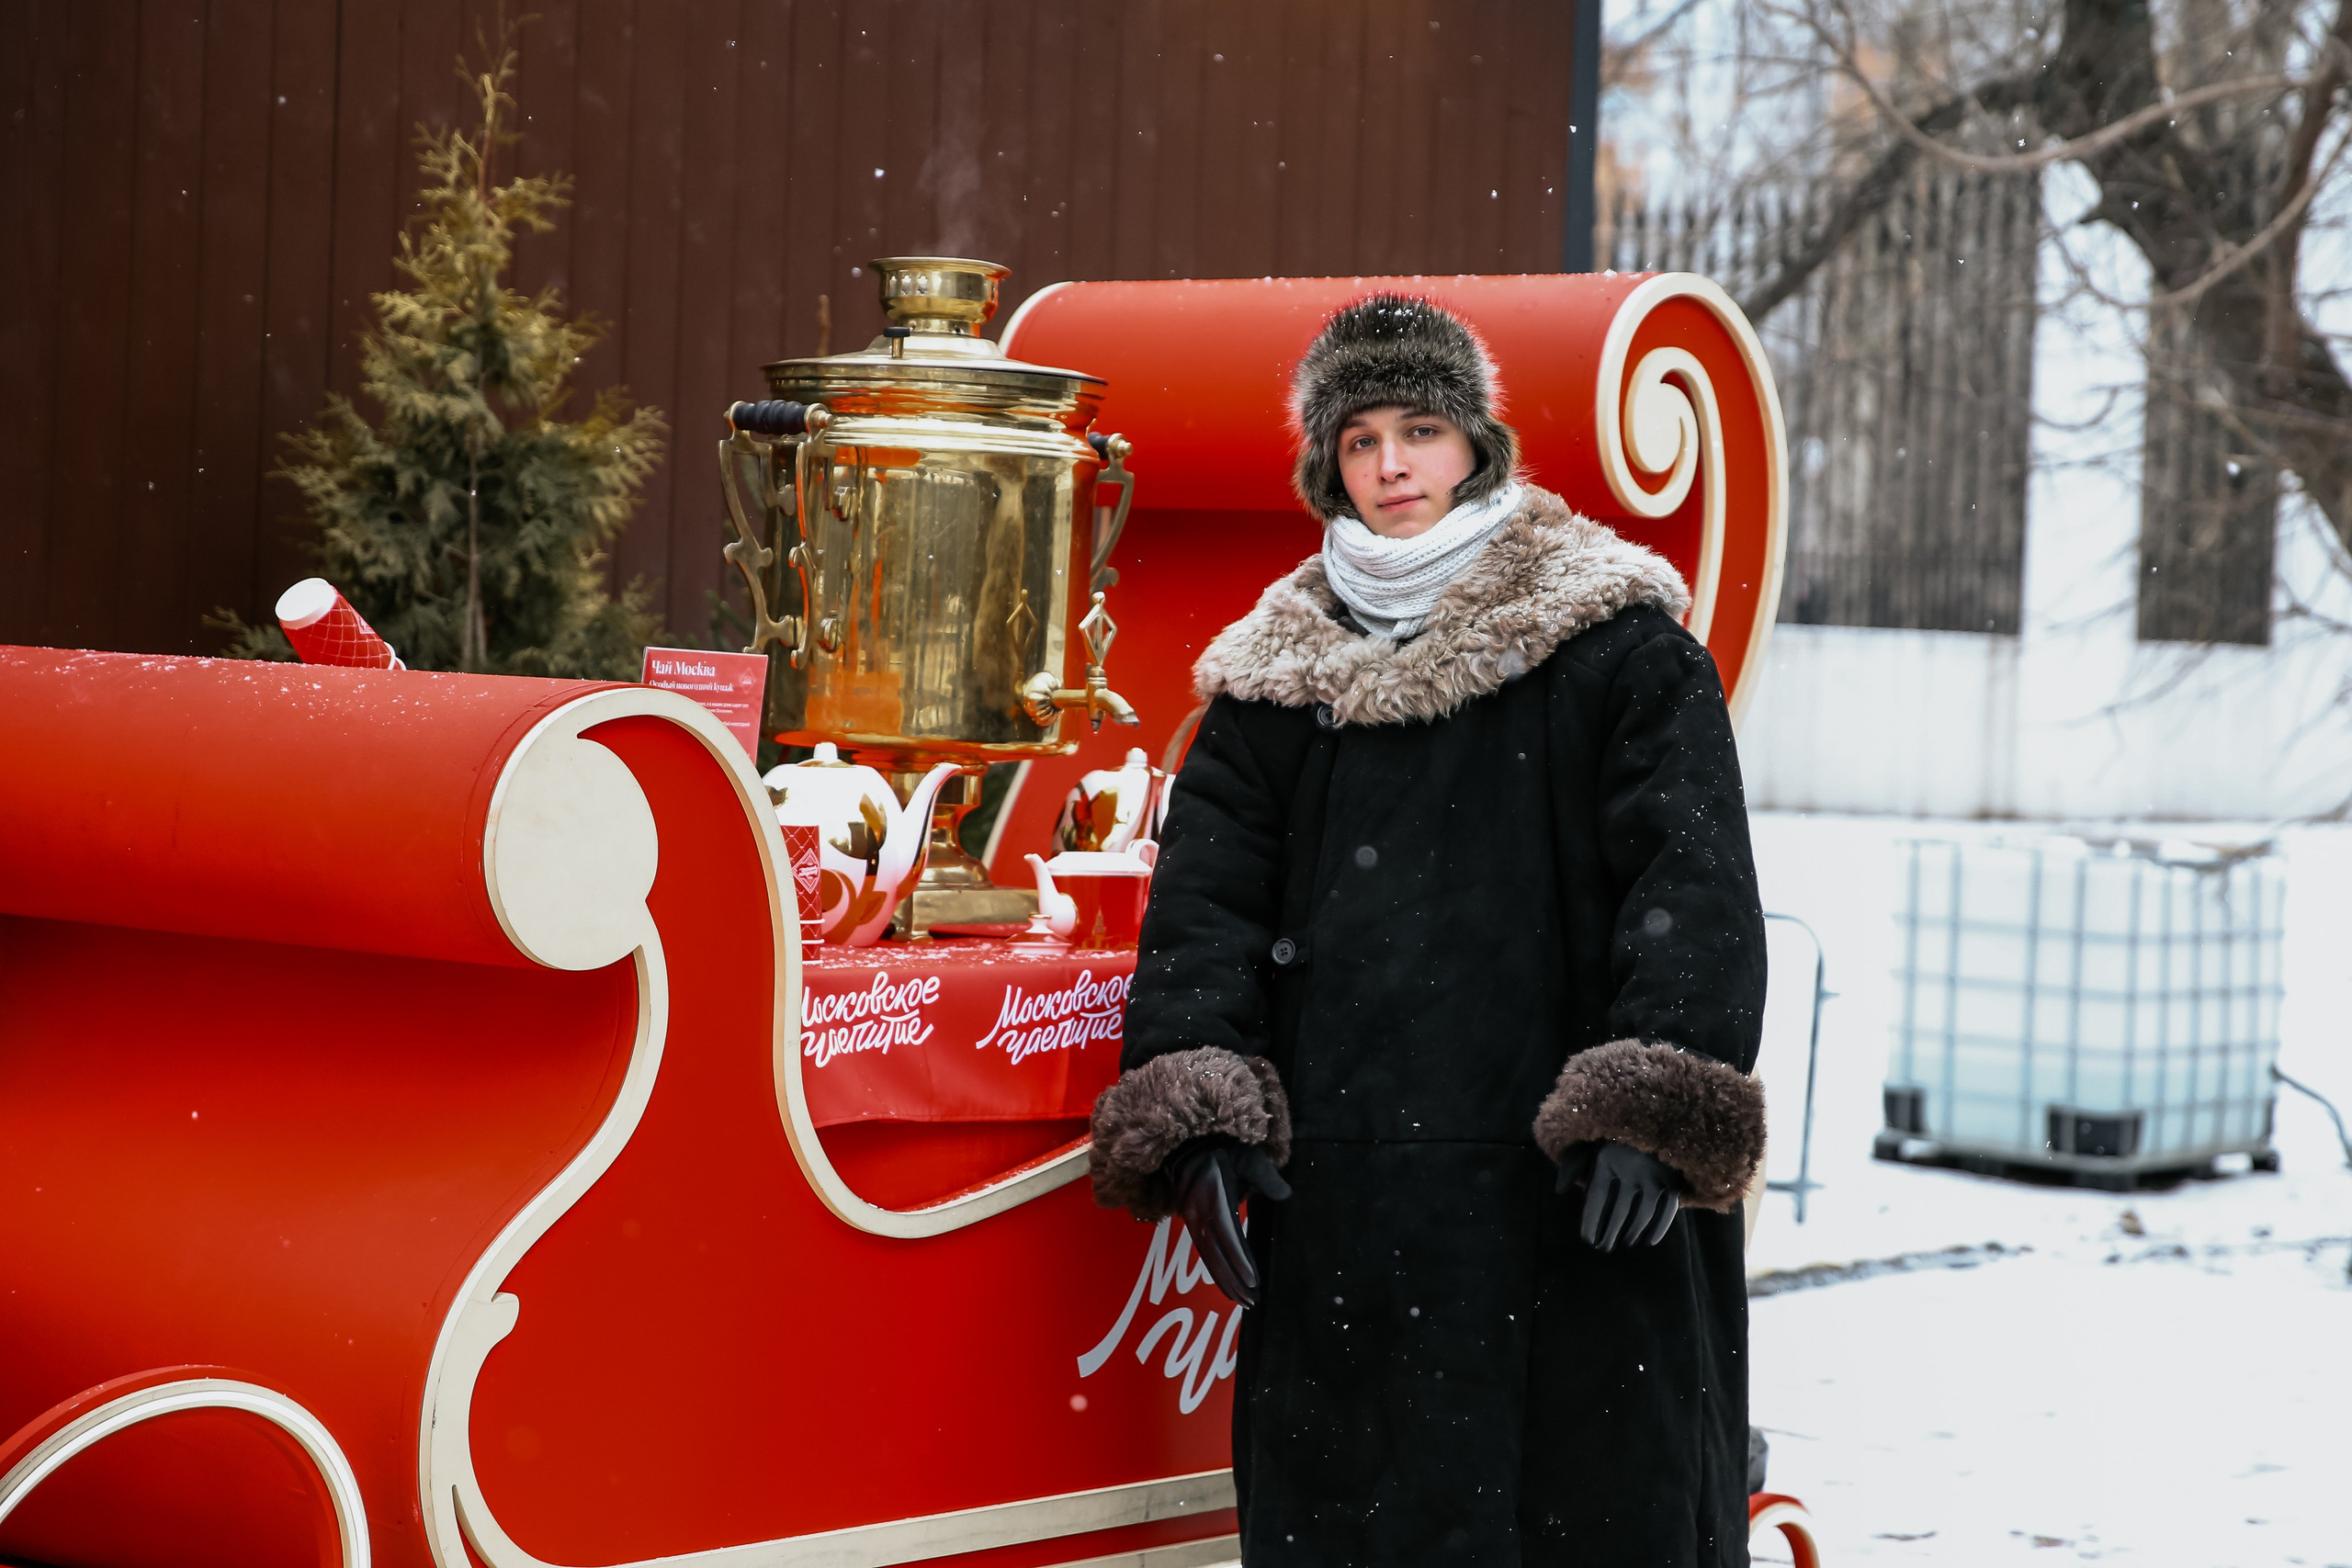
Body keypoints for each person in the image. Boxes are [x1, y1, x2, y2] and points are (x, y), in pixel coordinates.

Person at [1087, 294, 1768, 1566]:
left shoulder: (1619, 650)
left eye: (1420, 430)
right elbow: (1203, 918)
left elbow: (1694, 895)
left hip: (1575, 1210)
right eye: (1359, 440)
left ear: (1476, 446)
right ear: (1328, 467)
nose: (1391, 464)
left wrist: (1654, 1109)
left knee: (1589, 1523)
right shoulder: (1271, 680)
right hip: (1353, 1223)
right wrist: (1201, 1118)